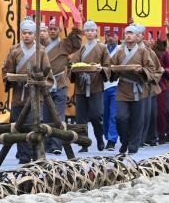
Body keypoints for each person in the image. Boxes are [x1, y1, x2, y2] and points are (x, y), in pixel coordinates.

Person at [2, 18, 53, 164]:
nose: (27, 36)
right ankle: (23, 156)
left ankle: (36, 155)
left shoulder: (41, 51)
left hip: (35, 96)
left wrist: (38, 83)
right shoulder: (15, 51)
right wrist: (11, 78)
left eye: (30, 33)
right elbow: (7, 72)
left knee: (34, 125)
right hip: (19, 95)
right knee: (19, 125)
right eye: (24, 33)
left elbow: (48, 77)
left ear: (34, 34)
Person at [111, 24, 156, 154]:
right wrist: (111, 69)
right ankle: (125, 140)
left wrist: (141, 70)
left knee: (137, 119)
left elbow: (151, 69)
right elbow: (111, 66)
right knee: (120, 117)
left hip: (138, 89)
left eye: (131, 33)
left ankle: (133, 146)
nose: (129, 35)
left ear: (137, 37)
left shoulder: (143, 52)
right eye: (127, 33)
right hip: (123, 89)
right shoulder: (119, 51)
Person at [38, 20, 82, 154]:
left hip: (60, 83)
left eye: (55, 29)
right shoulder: (40, 45)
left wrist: (76, 27)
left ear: (60, 30)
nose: (52, 31)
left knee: (58, 116)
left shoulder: (64, 44)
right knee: (46, 116)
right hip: (46, 83)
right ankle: (46, 144)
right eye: (50, 29)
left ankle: (57, 145)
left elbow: (76, 44)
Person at [68, 20, 112, 152]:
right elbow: (72, 65)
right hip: (81, 86)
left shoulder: (102, 48)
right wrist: (74, 69)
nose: (90, 33)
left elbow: (108, 66)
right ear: (84, 33)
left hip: (96, 85)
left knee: (96, 115)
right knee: (81, 117)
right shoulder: (80, 49)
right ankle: (84, 144)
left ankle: (99, 138)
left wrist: (101, 68)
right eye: (87, 30)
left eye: (92, 30)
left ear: (96, 32)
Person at [153, 36, 169, 144]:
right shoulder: (147, 50)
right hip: (150, 82)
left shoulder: (168, 50)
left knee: (165, 109)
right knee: (151, 110)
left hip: (165, 83)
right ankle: (152, 134)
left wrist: (165, 71)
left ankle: (165, 132)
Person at [101, 29, 121, 150]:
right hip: (102, 85)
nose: (111, 37)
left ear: (118, 36)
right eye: (108, 34)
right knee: (105, 114)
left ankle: (112, 140)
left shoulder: (121, 49)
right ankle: (107, 135)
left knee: (114, 114)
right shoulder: (101, 48)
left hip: (116, 84)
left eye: (114, 34)